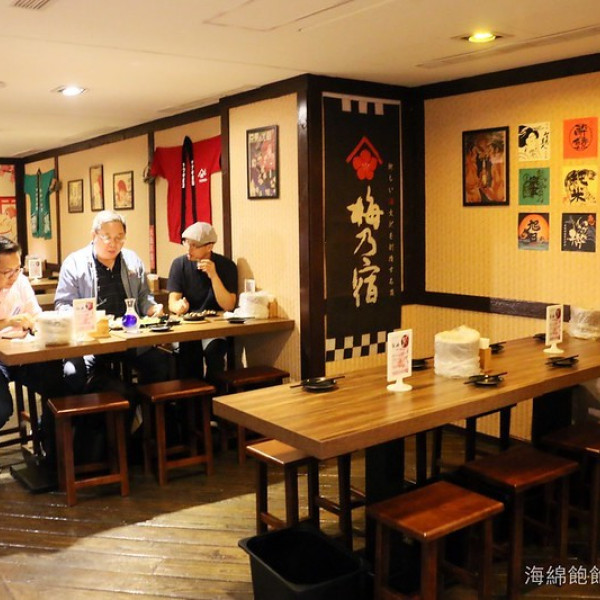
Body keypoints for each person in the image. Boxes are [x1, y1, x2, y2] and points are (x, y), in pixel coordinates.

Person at [54, 210, 169, 393]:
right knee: (74, 373)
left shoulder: (132, 261)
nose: (113, 244)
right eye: (107, 237)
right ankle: (110, 405)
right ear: (93, 235)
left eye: (119, 238)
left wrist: (152, 308)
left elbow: (143, 297)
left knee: (163, 364)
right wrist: (89, 319)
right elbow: (63, 305)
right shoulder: (74, 263)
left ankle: (144, 408)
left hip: (128, 337)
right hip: (90, 342)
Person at [167, 222, 237, 383]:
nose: (188, 249)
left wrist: (214, 276)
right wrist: (179, 307)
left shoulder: (226, 266)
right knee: (188, 355)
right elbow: (172, 301)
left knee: (214, 353)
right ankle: (194, 397)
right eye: (187, 243)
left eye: (194, 245)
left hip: (215, 328)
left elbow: (228, 305)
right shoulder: (179, 264)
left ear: (209, 246)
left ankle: (216, 395)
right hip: (188, 327)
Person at [0, 237, 42, 429]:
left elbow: (36, 315)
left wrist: (37, 325)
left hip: (23, 353)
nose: (14, 276)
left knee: (62, 383)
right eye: (7, 272)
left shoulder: (21, 282)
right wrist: (8, 322)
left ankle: (46, 436)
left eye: (17, 269)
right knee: (2, 409)